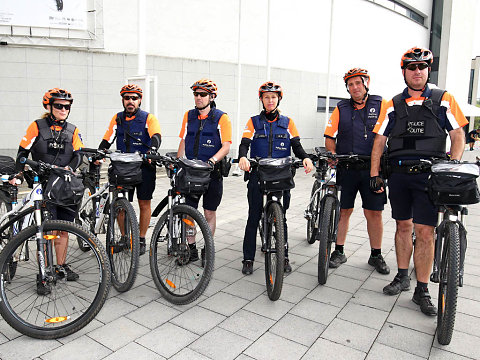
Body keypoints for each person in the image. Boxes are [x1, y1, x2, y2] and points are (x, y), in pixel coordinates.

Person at [370, 47, 468, 316]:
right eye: (411, 67)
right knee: (403, 226)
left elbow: (458, 135)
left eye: (422, 67)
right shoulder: (392, 103)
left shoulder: (443, 99)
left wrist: (452, 166)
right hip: (400, 175)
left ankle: (421, 289)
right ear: (404, 71)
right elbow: (380, 141)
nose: (417, 72)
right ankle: (402, 276)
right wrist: (374, 173)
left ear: (428, 71)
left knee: (426, 232)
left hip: (429, 176)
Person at [11, 88, 84, 295]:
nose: (63, 109)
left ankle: (60, 266)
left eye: (67, 106)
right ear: (48, 106)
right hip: (43, 186)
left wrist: (70, 167)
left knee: (63, 229)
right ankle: (44, 273)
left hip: (65, 186)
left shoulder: (73, 130)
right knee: (46, 230)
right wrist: (19, 173)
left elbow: (78, 155)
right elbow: (22, 153)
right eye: (59, 106)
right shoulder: (36, 127)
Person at [238, 81, 314, 275]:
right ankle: (248, 258)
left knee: (281, 217)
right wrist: (243, 157)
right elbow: (245, 143)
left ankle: (284, 255)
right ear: (261, 100)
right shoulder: (254, 122)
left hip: (281, 174)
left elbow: (296, 145)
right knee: (253, 216)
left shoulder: (288, 122)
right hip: (258, 173)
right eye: (266, 97)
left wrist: (305, 157)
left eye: (273, 97)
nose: (270, 100)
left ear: (278, 99)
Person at [324, 68, 390, 275]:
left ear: (366, 83)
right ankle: (339, 251)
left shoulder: (381, 104)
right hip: (347, 167)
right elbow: (329, 136)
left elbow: (390, 133)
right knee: (344, 211)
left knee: (374, 213)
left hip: (373, 169)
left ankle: (376, 254)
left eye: (358, 83)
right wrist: (332, 154)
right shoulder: (341, 108)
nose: (354, 88)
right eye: (350, 85)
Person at [99, 84, 162, 255]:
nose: (130, 101)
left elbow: (156, 136)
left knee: (144, 203)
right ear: (123, 100)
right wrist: (100, 153)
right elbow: (107, 139)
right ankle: (125, 238)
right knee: (120, 205)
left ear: (139, 100)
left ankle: (140, 238)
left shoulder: (149, 118)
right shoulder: (117, 118)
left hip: (144, 167)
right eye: (127, 98)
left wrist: (153, 150)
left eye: (134, 98)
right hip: (123, 167)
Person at [176, 78, 232, 260]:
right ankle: (190, 248)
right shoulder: (188, 116)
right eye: (196, 94)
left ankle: (208, 246)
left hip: (211, 173)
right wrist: (178, 162)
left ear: (212, 96)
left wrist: (212, 161)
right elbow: (183, 140)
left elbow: (226, 145)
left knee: (209, 212)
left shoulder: (222, 117)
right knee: (189, 212)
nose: (198, 98)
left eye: (203, 95)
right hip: (191, 172)